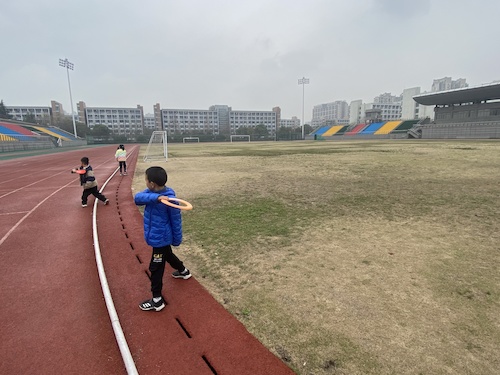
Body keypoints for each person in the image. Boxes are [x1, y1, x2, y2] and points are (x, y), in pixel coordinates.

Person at [134, 166, 191, 312]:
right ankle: (183, 271)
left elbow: (176, 220)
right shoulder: (151, 193)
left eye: (146, 180)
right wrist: (157, 198)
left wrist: (177, 239)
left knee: (156, 267)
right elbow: (137, 198)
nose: (145, 183)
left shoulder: (170, 198)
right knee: (168, 255)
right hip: (157, 237)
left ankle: (157, 300)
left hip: (161, 238)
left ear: (152, 183)